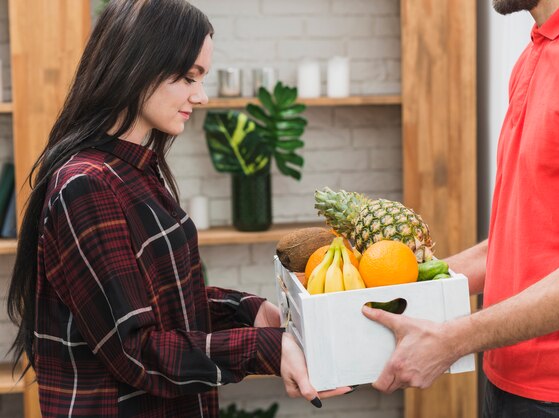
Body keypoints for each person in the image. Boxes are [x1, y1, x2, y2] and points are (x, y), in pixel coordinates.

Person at [6, 0, 347, 416]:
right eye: (188, 78)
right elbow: (136, 350)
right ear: (138, 66)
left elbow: (160, 302)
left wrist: (247, 311)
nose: (200, 96)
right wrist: (265, 349)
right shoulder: (87, 185)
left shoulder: (132, 171)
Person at [362, 0, 559, 416]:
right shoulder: (535, 53)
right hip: (507, 377)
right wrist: (406, 286)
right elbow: (515, 242)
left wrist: (456, 338)